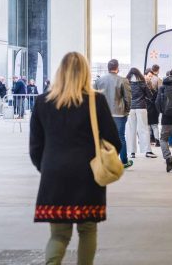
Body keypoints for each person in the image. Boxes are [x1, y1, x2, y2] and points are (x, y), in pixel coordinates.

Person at [29, 51, 121, 265]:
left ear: (59, 72)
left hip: (54, 174)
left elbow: (35, 146)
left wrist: (47, 167)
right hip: (87, 175)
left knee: (59, 235)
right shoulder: (95, 101)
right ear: (86, 73)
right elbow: (114, 141)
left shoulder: (43, 102)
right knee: (87, 230)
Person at [93, 59, 133, 169]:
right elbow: (128, 97)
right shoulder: (123, 80)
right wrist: (127, 110)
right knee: (120, 137)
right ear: (117, 67)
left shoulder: (99, 81)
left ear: (108, 68)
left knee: (104, 137)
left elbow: (93, 97)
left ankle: (104, 161)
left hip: (102, 114)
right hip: (119, 113)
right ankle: (124, 161)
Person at [125, 68, 156, 159]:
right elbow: (150, 96)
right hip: (141, 108)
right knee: (144, 129)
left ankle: (132, 152)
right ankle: (148, 151)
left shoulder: (126, 83)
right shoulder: (143, 83)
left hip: (130, 109)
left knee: (131, 130)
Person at [145, 68, 160, 147]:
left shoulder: (143, 86)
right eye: (149, 76)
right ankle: (156, 140)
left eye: (151, 76)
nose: (150, 78)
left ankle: (150, 140)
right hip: (153, 108)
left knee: (148, 126)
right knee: (154, 125)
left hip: (147, 108)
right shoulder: (154, 87)